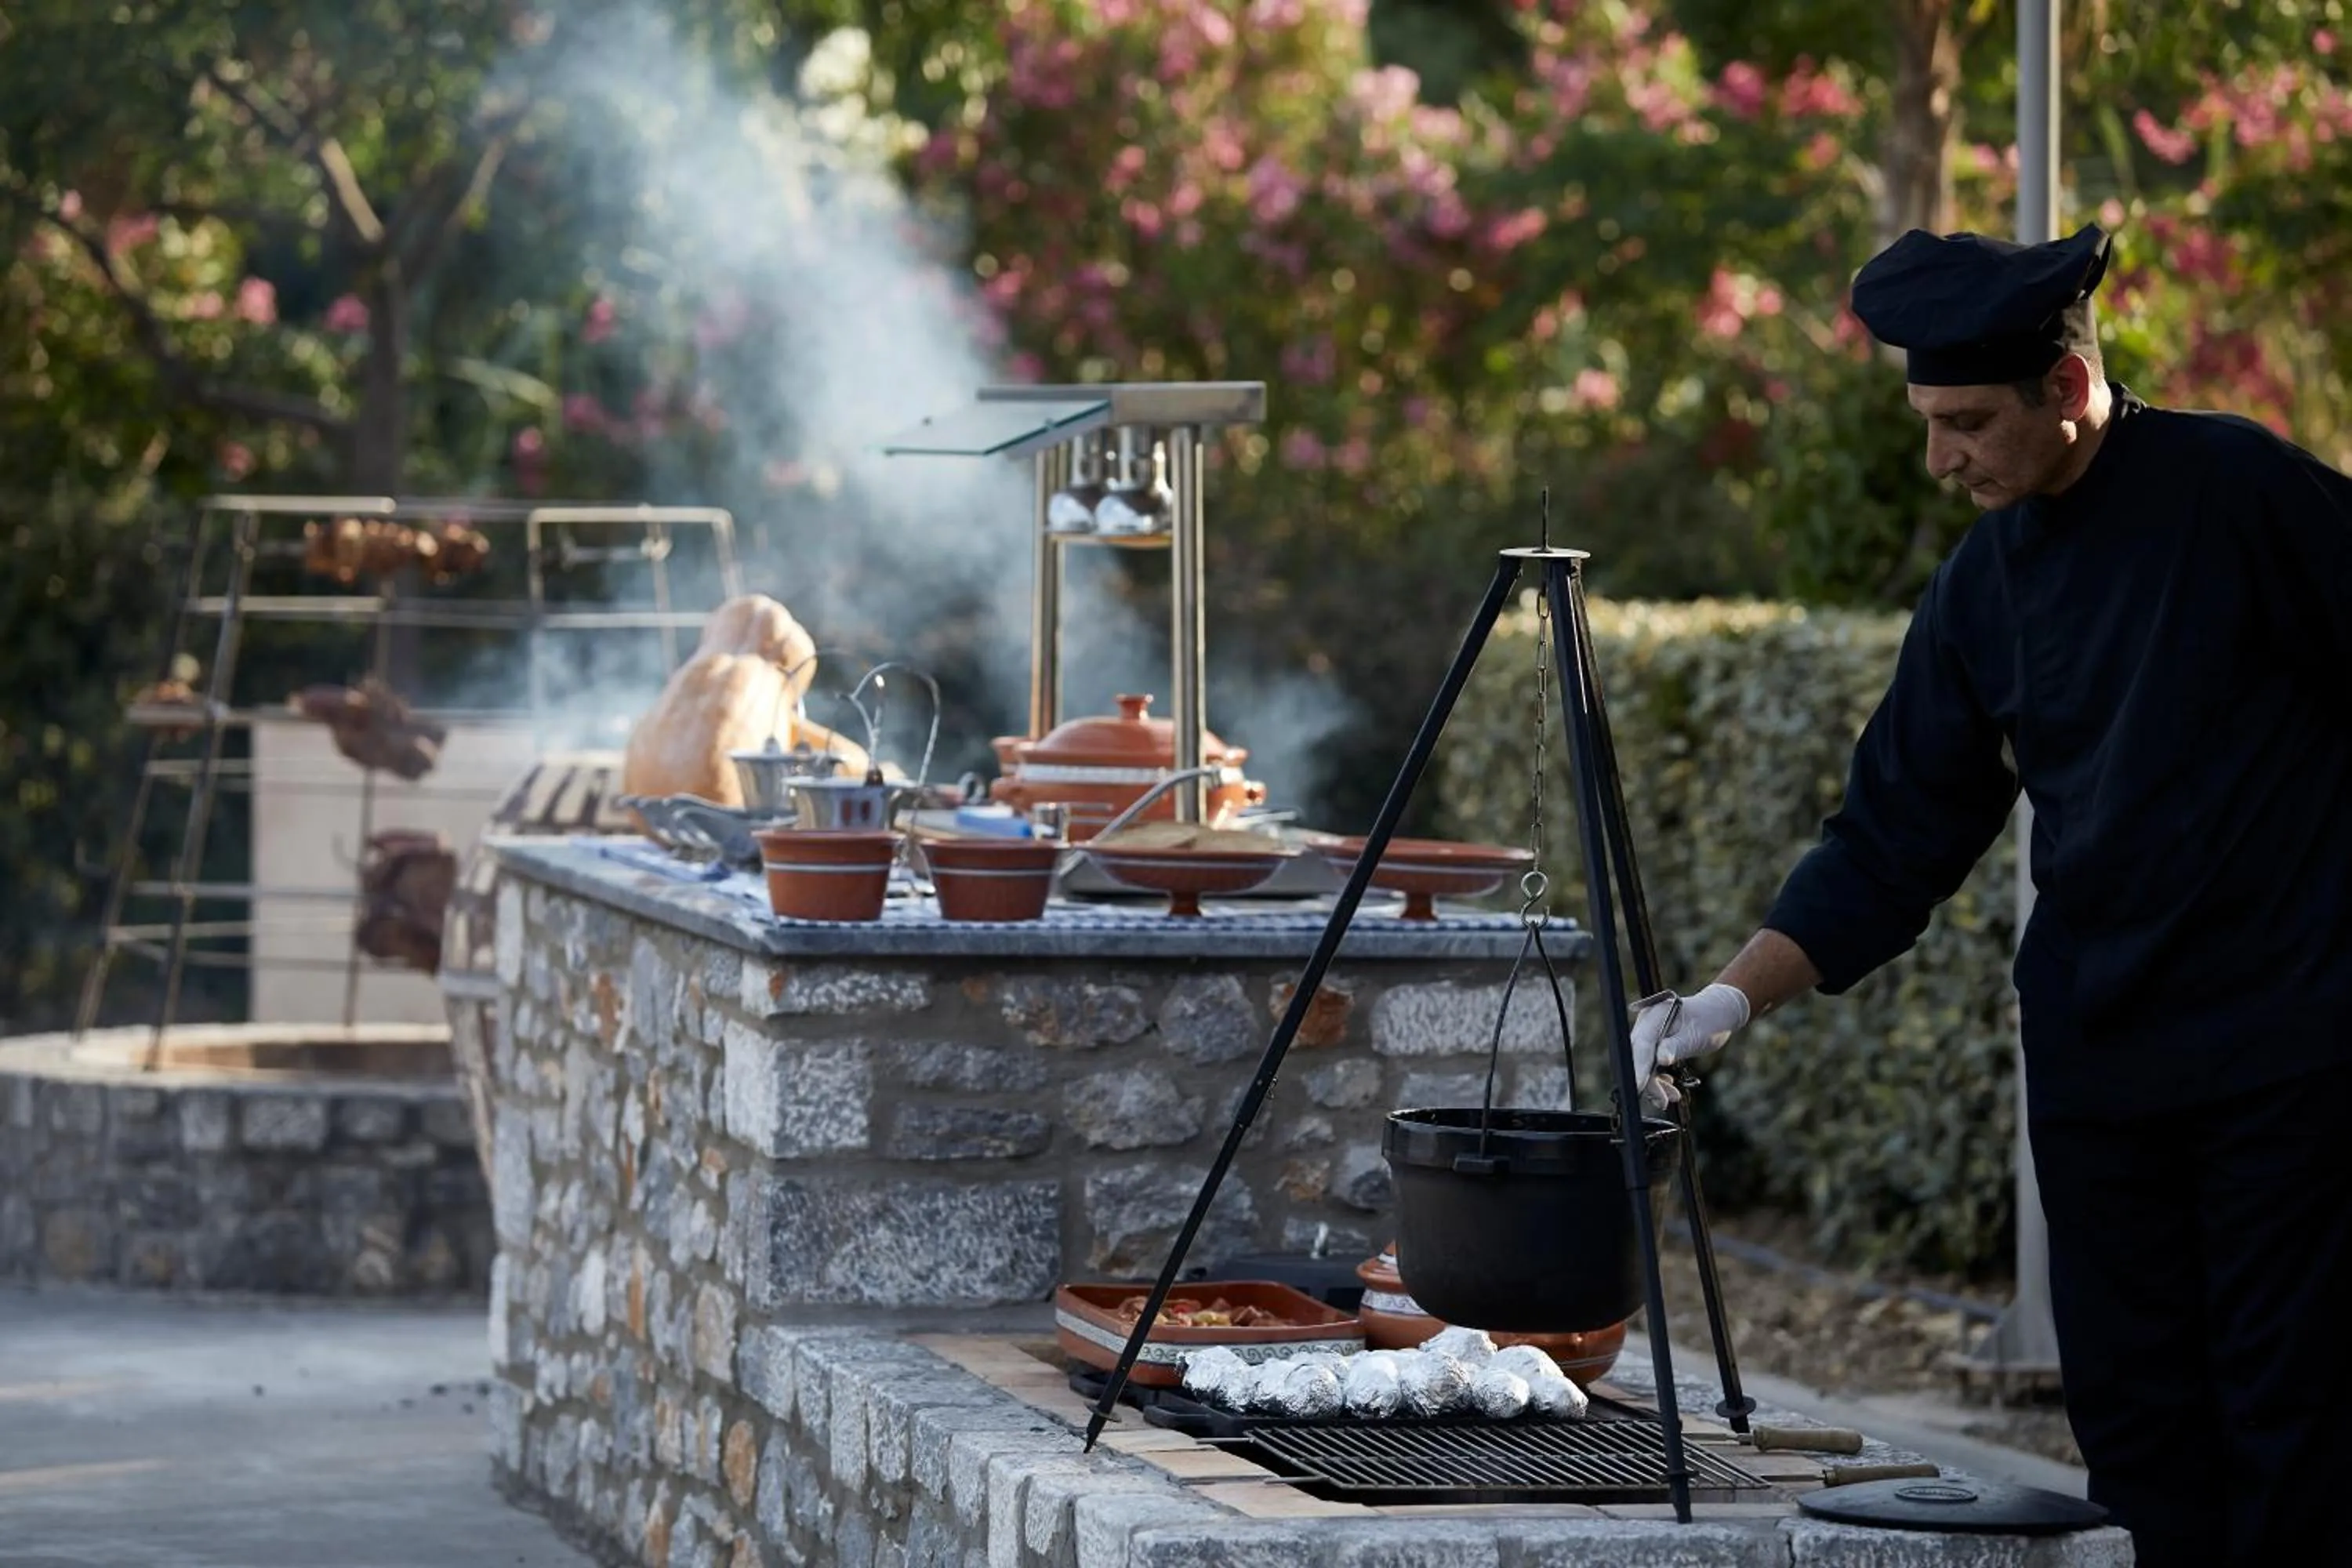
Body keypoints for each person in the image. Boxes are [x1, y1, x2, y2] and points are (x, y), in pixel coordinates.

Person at [1629, 222, 2352, 1568]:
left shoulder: (2242, 490)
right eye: (1924, 419)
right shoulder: (1982, 585)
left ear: (2067, 391)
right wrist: (1726, 1001)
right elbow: (1893, 836)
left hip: (2289, 1063)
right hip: (2101, 1072)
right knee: (2136, 1444)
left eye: (1964, 422)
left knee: (2299, 1432)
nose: (1938, 458)